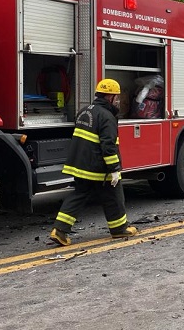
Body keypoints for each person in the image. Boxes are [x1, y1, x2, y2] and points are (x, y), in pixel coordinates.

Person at [50, 78, 139, 246]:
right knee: (114, 195)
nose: (118, 101)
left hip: (80, 164)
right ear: (109, 97)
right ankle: (119, 230)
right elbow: (108, 145)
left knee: (79, 195)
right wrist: (114, 169)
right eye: (116, 97)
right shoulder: (107, 116)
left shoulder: (85, 111)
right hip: (96, 167)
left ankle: (59, 230)